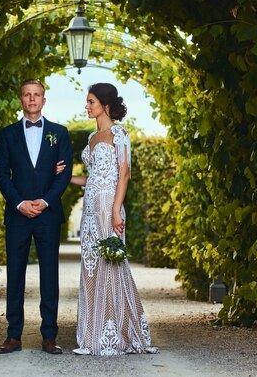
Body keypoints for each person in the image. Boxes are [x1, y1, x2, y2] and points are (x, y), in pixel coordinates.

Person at [59, 82, 159, 355]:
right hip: (91, 207)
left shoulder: (119, 133)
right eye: (87, 101)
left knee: (112, 265)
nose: (87, 106)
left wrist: (116, 210)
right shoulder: (91, 139)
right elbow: (91, 179)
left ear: (105, 105)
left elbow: (124, 173)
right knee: (90, 268)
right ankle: (91, 338)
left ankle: (118, 335)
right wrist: (64, 176)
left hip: (108, 207)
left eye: (91, 101)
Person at [0, 79, 73, 355]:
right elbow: (1, 173)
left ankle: (49, 336)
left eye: (36, 94)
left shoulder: (59, 133)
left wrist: (46, 201)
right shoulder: (7, 134)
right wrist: (19, 203)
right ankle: (13, 336)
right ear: (20, 100)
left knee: (49, 276)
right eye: (27, 95)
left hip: (48, 215)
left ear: (43, 100)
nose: (32, 99)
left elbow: (65, 176)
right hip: (18, 215)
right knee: (15, 275)